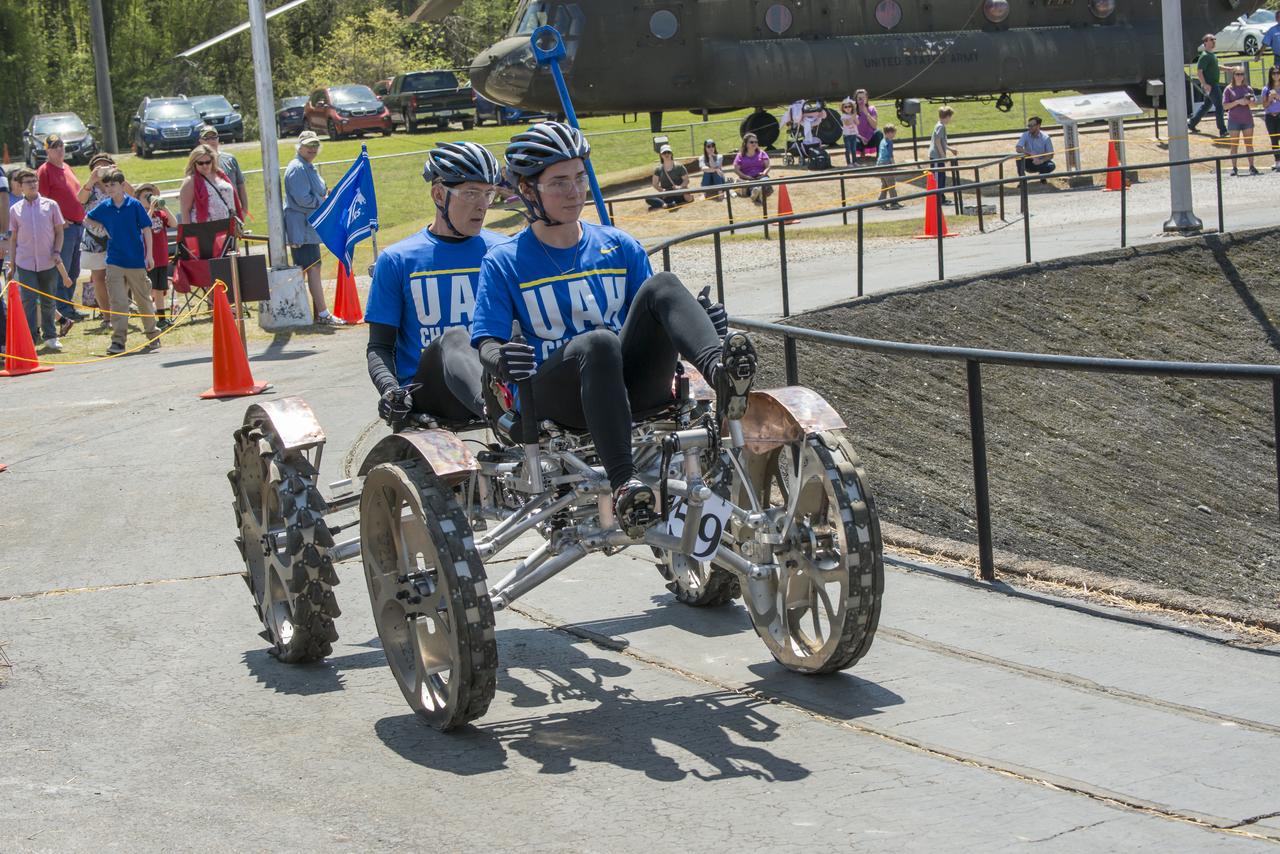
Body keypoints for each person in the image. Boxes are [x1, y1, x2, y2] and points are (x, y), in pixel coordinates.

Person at [470, 121, 756, 535]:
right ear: (528, 191)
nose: (575, 191)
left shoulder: (619, 245)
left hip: (628, 388)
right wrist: (501, 358)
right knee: (599, 342)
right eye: (559, 182)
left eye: (580, 177)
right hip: (558, 401)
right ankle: (625, 483)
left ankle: (722, 374)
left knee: (664, 285)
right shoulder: (504, 261)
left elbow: (654, 316)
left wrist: (700, 323)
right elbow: (485, 340)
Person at [365, 142, 507, 429]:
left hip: (497, 382)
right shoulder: (397, 259)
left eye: (488, 193)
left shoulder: (505, 250)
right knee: (455, 338)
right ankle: (496, 414)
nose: (482, 205)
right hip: (432, 396)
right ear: (439, 194)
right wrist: (390, 390)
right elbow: (379, 346)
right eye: (471, 193)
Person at [86, 169, 159, 355]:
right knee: (118, 301)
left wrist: (149, 255)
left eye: (113, 185)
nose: (110, 188)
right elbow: (87, 218)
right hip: (114, 260)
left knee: (143, 299)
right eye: (106, 185)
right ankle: (118, 341)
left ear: (122, 185)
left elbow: (147, 229)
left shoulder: (134, 205)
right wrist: (101, 227)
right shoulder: (105, 206)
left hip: (135, 260)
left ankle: (152, 334)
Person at [283, 130, 344, 326]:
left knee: (310, 269)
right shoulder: (298, 168)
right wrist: (323, 200)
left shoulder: (307, 166)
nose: (312, 149)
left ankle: (310, 313)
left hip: (308, 228)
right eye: (308, 145)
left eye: (315, 145)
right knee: (312, 269)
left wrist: (325, 195)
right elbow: (302, 199)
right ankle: (322, 314)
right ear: (299, 147)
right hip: (302, 229)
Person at [6, 168, 67, 352]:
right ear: (20, 186)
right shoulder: (15, 210)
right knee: (29, 301)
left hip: (48, 261)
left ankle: (51, 336)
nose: (33, 184)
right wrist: (12, 265)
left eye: (34, 181)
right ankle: (31, 338)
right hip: (25, 263)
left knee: (48, 300)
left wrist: (57, 251)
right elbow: (13, 239)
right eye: (28, 182)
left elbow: (59, 232)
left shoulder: (51, 205)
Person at [36, 134, 87, 323]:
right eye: (54, 146)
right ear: (47, 150)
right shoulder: (44, 171)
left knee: (74, 270)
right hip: (63, 228)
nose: (59, 149)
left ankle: (68, 306)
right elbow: (42, 202)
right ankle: (62, 309)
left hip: (78, 225)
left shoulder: (66, 167)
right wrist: (59, 220)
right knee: (62, 269)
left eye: (61, 146)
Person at [78, 153, 134, 319]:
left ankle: (121, 310)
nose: (102, 169)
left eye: (106, 165)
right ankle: (107, 315)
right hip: (94, 239)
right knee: (99, 278)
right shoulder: (90, 187)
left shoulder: (118, 185)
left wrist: (117, 174)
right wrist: (91, 180)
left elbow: (132, 193)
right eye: (98, 166)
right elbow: (80, 199)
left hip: (118, 236)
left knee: (122, 275)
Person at [135, 183, 176, 329]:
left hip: (161, 257)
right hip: (147, 259)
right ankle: (149, 318)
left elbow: (174, 223)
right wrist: (151, 210)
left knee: (159, 289)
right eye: (145, 196)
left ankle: (161, 318)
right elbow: (142, 226)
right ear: (138, 200)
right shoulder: (138, 214)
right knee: (148, 289)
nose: (149, 198)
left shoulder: (160, 215)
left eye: (150, 195)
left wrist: (164, 207)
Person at [178, 144, 241, 225]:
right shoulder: (190, 181)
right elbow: (185, 211)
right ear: (194, 163)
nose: (205, 166)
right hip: (205, 229)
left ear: (213, 161)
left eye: (208, 162)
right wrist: (188, 231)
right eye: (200, 163)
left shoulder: (221, 175)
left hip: (229, 225)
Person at [198, 125, 248, 213]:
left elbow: (240, 185)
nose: (211, 141)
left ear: (218, 139)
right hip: (210, 213)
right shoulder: (198, 162)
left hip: (233, 211)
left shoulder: (230, 159)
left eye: (214, 137)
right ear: (201, 141)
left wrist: (244, 209)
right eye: (207, 138)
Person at [1188, 33, 1227, 140]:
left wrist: (1228, 69)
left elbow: (1215, 66)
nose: (1214, 41)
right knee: (1219, 106)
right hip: (1211, 85)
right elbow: (1199, 72)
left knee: (1206, 105)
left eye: (1214, 39)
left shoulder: (1211, 55)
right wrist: (1205, 84)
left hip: (1211, 85)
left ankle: (1192, 123)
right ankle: (1223, 130)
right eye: (1211, 39)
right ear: (1205, 42)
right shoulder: (1205, 56)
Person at [1222, 67, 1260, 175]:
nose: (1239, 76)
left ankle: (1251, 166)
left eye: (1241, 74)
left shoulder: (1248, 89)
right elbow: (1225, 106)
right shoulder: (1228, 89)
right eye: (1237, 74)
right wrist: (1238, 102)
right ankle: (1234, 168)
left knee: (1249, 144)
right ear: (1233, 75)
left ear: (1244, 76)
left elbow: (1254, 104)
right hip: (1233, 120)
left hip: (1247, 120)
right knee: (1234, 145)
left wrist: (1249, 102)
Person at [646, 144, 694, 210]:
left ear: (671, 154)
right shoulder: (658, 169)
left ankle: (666, 204)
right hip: (666, 194)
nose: (666, 154)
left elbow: (686, 180)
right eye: (664, 153)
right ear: (661, 155)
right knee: (648, 198)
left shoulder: (679, 166)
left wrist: (679, 187)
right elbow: (655, 184)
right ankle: (665, 204)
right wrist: (661, 190)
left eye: (668, 152)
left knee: (684, 196)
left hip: (679, 192)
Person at [732, 133, 773, 205]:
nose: (754, 144)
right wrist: (746, 176)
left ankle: (757, 193)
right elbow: (736, 169)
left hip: (761, 176)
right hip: (747, 178)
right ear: (746, 144)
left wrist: (764, 173)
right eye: (751, 142)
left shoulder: (762, 153)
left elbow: (768, 166)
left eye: (756, 142)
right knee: (751, 184)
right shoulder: (740, 155)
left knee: (765, 181)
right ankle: (757, 193)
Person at [928, 106, 959, 198]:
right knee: (938, 178)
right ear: (947, 116)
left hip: (939, 156)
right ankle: (938, 198)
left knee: (942, 177)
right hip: (936, 157)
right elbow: (937, 142)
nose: (950, 119)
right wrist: (943, 156)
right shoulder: (940, 126)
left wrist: (951, 149)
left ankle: (941, 196)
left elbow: (942, 143)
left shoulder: (940, 125)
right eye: (950, 117)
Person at [852, 89, 883, 161]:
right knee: (850, 137)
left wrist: (867, 114)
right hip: (859, 139)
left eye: (864, 98)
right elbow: (851, 128)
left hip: (871, 138)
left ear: (866, 99)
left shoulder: (872, 109)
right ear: (856, 100)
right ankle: (856, 158)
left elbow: (874, 126)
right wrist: (861, 138)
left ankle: (879, 156)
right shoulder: (852, 111)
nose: (862, 100)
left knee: (879, 133)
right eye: (859, 98)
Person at [876, 125, 902, 210]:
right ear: (889, 133)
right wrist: (894, 166)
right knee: (891, 184)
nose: (894, 135)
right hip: (886, 164)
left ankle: (881, 201)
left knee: (885, 184)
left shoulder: (882, 141)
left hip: (879, 164)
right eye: (893, 133)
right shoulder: (889, 142)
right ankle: (894, 202)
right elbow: (890, 155)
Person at [1262, 66, 1280, 171]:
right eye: (1274, 73)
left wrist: (1277, 96)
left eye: (1278, 73)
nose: (1276, 75)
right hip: (1270, 116)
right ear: (1270, 75)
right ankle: (1277, 161)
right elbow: (1264, 105)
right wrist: (1269, 99)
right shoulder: (1266, 89)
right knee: (1274, 139)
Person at [840, 98, 862, 166]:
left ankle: (854, 161)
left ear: (852, 107)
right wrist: (853, 115)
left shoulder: (854, 115)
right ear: (843, 108)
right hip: (847, 135)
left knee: (854, 149)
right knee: (848, 149)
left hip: (853, 134)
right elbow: (847, 123)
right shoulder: (843, 116)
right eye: (845, 107)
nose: (848, 108)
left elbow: (858, 123)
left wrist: (854, 115)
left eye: (849, 106)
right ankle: (849, 163)